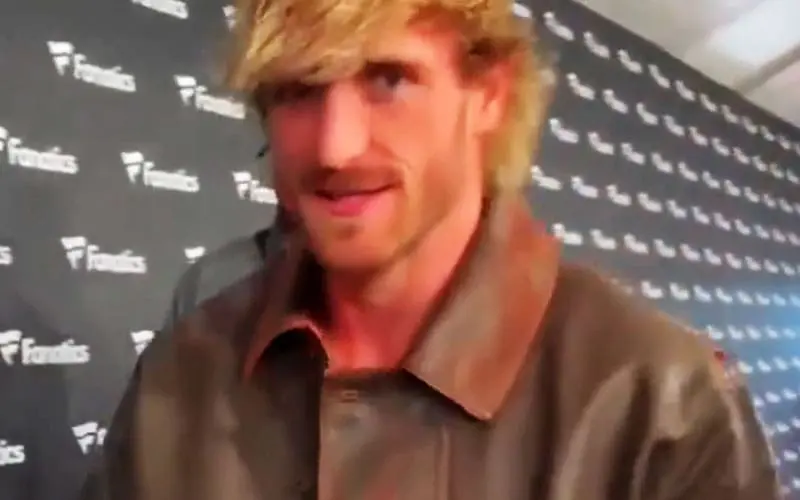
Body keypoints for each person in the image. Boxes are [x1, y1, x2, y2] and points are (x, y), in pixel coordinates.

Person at [78, 0, 781, 498]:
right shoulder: (183, 373)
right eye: (298, 90)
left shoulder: (660, 403)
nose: (336, 146)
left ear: (489, 94)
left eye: (388, 79)